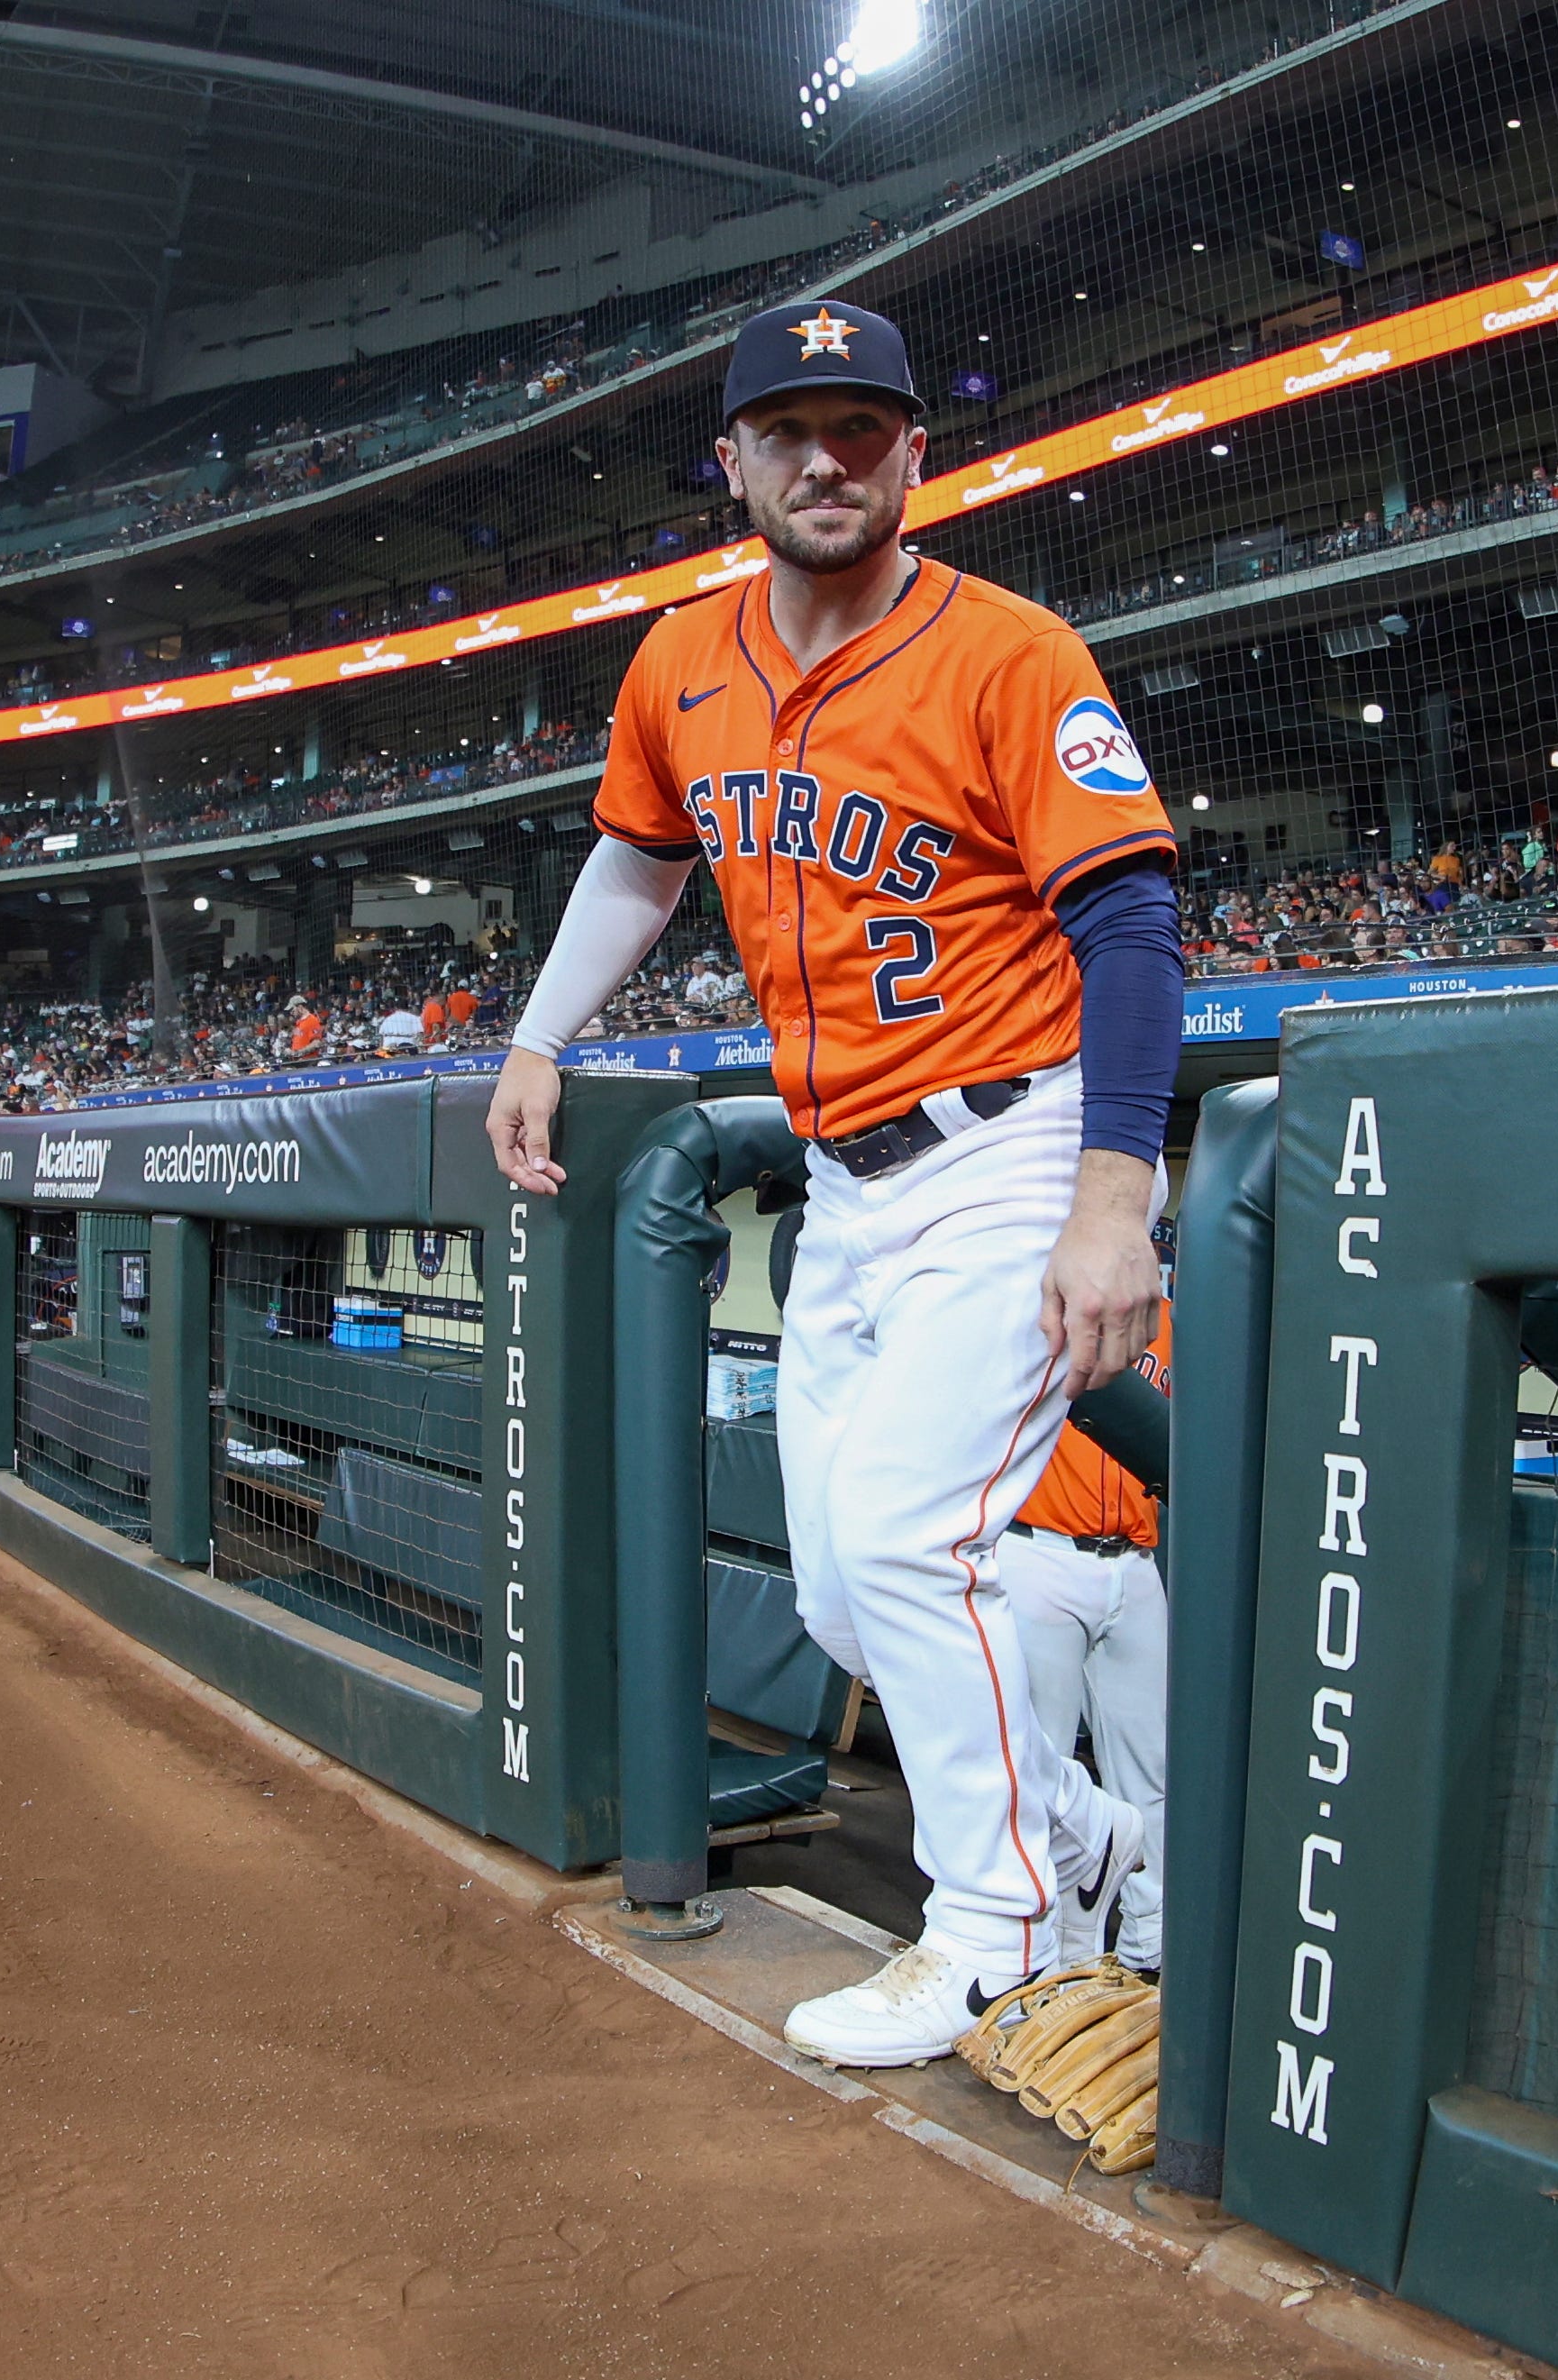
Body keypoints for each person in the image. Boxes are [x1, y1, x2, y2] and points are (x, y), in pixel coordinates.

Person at [486, 297, 1172, 2066]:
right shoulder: (677, 661)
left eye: (860, 425)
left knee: (903, 1535)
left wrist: (1115, 1197)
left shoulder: (1013, 655)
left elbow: (1129, 924)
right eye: (786, 428)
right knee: (836, 1595)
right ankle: (1090, 1851)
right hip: (841, 1189)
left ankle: (992, 1931)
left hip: (1008, 1149)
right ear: (731, 463)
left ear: (914, 454)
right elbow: (637, 867)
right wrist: (540, 1037)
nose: (823, 457)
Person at [997, 1297, 1171, 1978]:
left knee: (1151, 1767)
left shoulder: (1172, 1323)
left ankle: (1149, 1944)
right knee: (1038, 1764)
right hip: (1039, 1552)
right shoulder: (1036, 1305)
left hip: (1133, 1563)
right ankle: (1043, 1949)